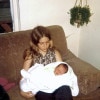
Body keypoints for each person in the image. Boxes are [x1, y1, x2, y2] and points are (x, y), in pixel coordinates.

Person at [20, 26, 76, 100]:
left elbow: (62, 70)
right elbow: (23, 74)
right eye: (41, 43)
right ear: (35, 42)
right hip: (41, 87)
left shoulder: (55, 53)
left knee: (65, 89)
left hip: (56, 83)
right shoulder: (30, 55)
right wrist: (22, 91)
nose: (45, 45)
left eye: (47, 42)